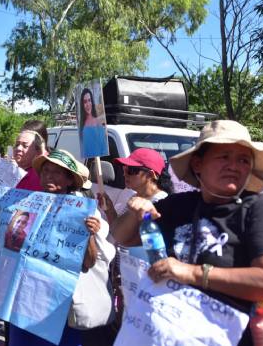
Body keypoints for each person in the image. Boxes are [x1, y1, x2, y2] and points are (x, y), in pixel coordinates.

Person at [111, 120, 263, 346]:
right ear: (198, 164)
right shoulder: (176, 206)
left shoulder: (260, 210)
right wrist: (136, 211)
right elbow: (122, 236)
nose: (234, 166)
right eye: (224, 156)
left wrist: (193, 273)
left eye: (243, 160)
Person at [9, 149, 116, 346]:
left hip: (58, 306)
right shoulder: (29, 204)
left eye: (57, 172)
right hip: (26, 299)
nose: (49, 175)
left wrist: (89, 234)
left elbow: (88, 263)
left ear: (69, 180)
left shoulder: (83, 211)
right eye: (46, 171)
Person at [98, 147, 172, 225]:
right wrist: (110, 210)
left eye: (130, 170)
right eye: (124, 169)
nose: (124, 174)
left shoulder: (160, 204)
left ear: (150, 175)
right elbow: (118, 229)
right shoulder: (135, 196)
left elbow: (126, 235)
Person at [78, 87, 107, 158]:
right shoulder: (81, 125)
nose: (88, 104)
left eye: (89, 100)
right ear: (82, 104)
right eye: (85, 102)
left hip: (96, 162)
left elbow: (103, 148)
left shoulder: (98, 122)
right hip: (85, 163)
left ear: (92, 101)